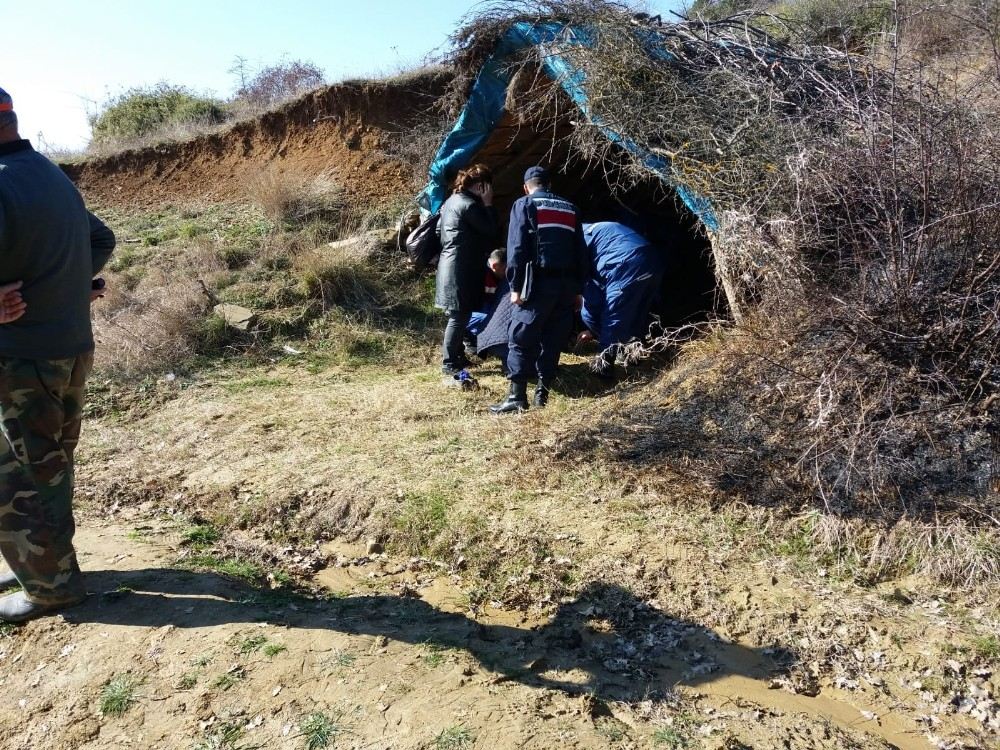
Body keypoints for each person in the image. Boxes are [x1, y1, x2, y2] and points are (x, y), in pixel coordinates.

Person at [0, 87, 116, 623]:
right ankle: (43, 563)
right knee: (49, 465)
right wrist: (68, 287)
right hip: (68, 348)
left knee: (18, 477)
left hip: (19, 361)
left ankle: (50, 588)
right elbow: (100, 238)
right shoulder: (46, 172)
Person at [490, 166, 588, 413]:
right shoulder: (570, 208)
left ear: (526, 187)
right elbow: (580, 253)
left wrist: (515, 286)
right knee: (553, 338)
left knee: (520, 337)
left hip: (538, 284)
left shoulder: (524, 205)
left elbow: (517, 249)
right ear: (549, 184)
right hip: (566, 286)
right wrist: (578, 289)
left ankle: (517, 397)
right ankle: (541, 395)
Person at [579, 221, 667, 379]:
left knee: (611, 314)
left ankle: (604, 365)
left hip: (625, 262)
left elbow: (592, 295)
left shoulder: (576, 238)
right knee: (637, 310)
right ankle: (633, 354)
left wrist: (590, 323)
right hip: (652, 259)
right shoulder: (596, 229)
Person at [435, 164, 498, 376]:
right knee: (458, 316)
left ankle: (458, 357)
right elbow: (490, 230)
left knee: (458, 314)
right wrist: (488, 204)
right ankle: (449, 363)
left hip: (450, 263)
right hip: (461, 267)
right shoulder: (470, 205)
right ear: (482, 186)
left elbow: (438, 230)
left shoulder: (451, 201)